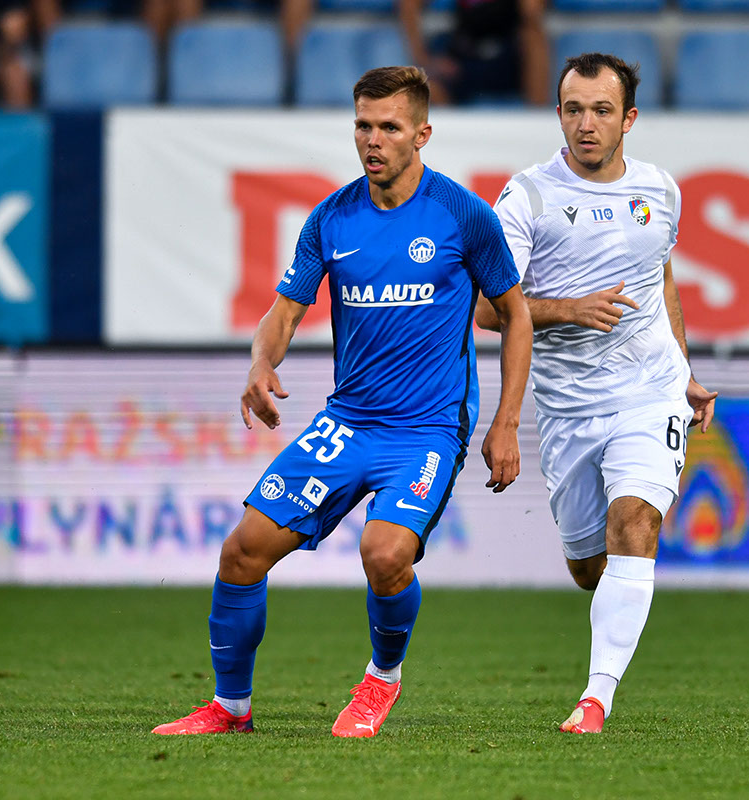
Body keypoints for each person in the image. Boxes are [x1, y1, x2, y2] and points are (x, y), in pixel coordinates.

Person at [154, 65, 532, 739]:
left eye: (389, 127)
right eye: (363, 125)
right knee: (242, 552)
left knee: (385, 555)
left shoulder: (462, 215)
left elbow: (515, 314)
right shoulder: (331, 218)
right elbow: (284, 312)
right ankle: (230, 708)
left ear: (422, 133)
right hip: (348, 423)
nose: (373, 140)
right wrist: (261, 362)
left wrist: (506, 423)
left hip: (426, 430)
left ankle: (381, 679)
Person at [476, 52, 718, 734]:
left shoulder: (660, 191)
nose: (587, 124)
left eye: (602, 111)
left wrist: (684, 370)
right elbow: (488, 310)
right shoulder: (527, 198)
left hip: (650, 393)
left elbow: (660, 279)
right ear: (559, 114)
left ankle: (595, 698)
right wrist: (568, 309)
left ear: (628, 119)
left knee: (635, 521)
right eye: (575, 110)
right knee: (588, 566)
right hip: (569, 409)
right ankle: (613, 597)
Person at [397, 0, 549, 107]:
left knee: (532, 40)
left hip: (510, 57)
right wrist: (424, 59)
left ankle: (538, 122)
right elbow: (409, 5)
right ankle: (452, 136)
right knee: (424, 89)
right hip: (464, 56)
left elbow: (532, 14)